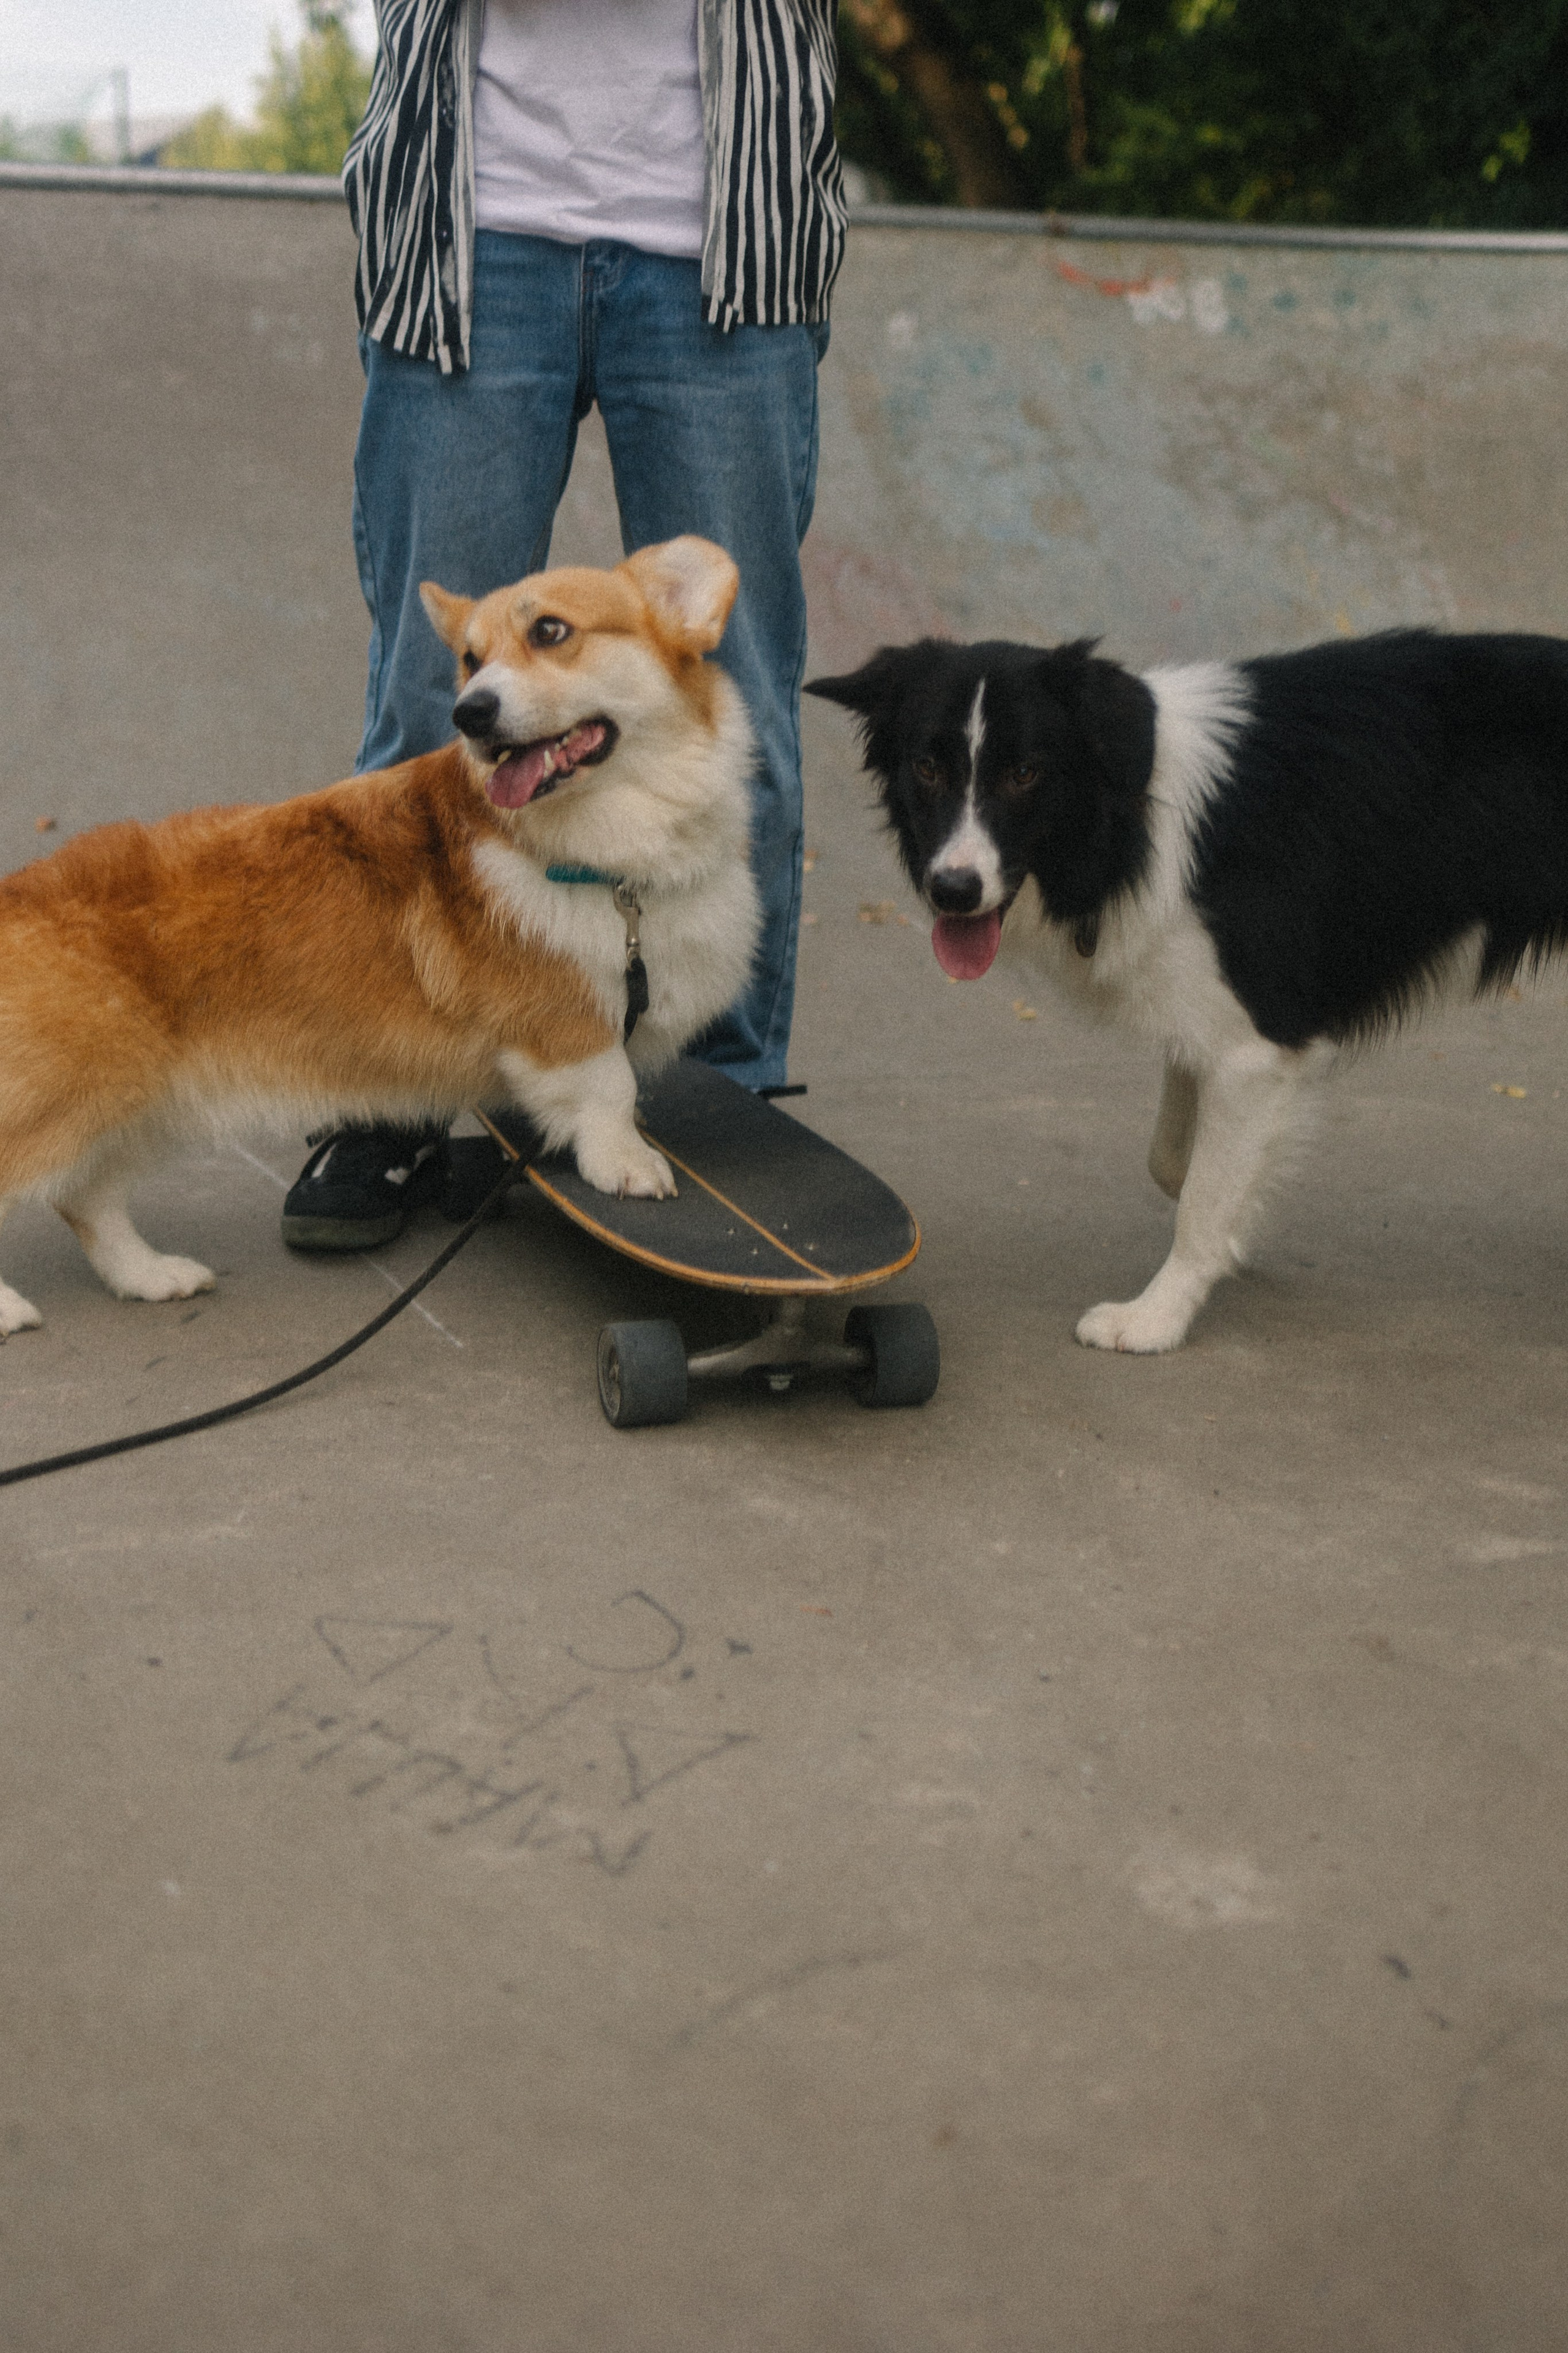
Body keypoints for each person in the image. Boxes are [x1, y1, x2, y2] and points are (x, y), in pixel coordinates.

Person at [282, 0, 846, 1250]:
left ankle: (721, 1085)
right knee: (430, 711)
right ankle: (398, 1092)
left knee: (725, 694)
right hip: (471, 229)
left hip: (728, 228)